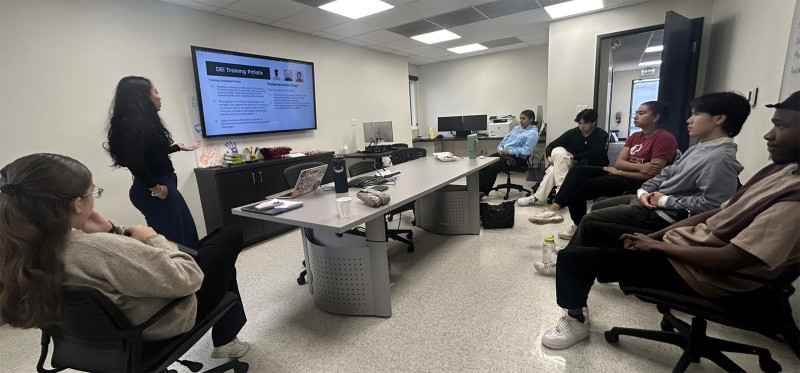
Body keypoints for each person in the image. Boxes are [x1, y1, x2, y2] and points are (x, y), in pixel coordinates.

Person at [539, 91, 800, 350]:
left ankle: (575, 315)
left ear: (719, 118)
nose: (768, 134)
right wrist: (647, 203)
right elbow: (713, 207)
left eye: (780, 126)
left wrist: (657, 240)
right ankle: (575, 267)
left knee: (577, 251)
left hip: (700, 269)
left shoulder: (783, 192)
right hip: (682, 239)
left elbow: (733, 255)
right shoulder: (780, 172)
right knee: (593, 220)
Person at [0, 153, 250, 358]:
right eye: (93, 192)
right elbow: (189, 278)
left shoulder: (15, 251)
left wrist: (112, 231)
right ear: (77, 204)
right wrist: (152, 237)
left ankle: (227, 338)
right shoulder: (95, 248)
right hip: (156, 324)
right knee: (228, 235)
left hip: (92, 339)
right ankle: (227, 339)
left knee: (219, 255)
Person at [562, 92, 750, 248]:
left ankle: (573, 257)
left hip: (663, 212)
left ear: (719, 118)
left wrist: (666, 199)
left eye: (696, 114)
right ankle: (588, 250)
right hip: (652, 197)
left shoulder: (719, 159)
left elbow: (713, 205)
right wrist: (645, 190)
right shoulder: (700, 148)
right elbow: (666, 173)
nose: (689, 120)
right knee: (594, 202)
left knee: (591, 218)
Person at [528, 101, 678, 235]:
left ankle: (570, 219)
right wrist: (637, 167)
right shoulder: (635, 137)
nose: (635, 116)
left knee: (577, 187)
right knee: (576, 173)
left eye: (641, 113)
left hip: (634, 182)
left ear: (656, 117)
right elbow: (619, 162)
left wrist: (621, 171)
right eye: (636, 113)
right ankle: (560, 210)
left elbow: (651, 174)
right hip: (619, 173)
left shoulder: (664, 138)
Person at [105, 76, 200, 248]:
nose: (159, 96)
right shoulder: (133, 126)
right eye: (155, 92)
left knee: (187, 236)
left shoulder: (141, 125)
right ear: (142, 98)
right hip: (155, 190)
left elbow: (150, 153)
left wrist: (176, 148)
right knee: (175, 244)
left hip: (162, 187)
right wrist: (156, 189)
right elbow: (133, 161)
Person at [517, 108, 609, 207]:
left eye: (585, 123)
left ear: (593, 123)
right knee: (558, 151)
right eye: (580, 123)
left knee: (553, 169)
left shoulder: (601, 135)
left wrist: (574, 156)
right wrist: (548, 157)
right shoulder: (573, 133)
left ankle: (537, 197)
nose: (582, 126)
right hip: (569, 162)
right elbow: (551, 145)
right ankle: (561, 191)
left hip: (591, 164)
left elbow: (594, 153)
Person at [478, 109, 539, 198]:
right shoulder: (516, 128)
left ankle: (483, 192)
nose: (521, 121)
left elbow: (526, 151)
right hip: (504, 153)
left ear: (531, 120)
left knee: (494, 167)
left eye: (524, 118)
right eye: (520, 118)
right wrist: (500, 149)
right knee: (485, 163)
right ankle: (477, 189)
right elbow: (504, 140)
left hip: (517, 158)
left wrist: (509, 151)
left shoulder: (533, 133)